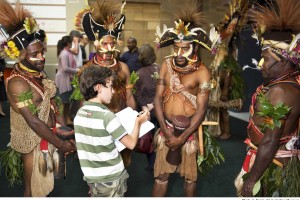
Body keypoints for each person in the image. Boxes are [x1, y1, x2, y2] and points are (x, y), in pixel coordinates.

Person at [0, 0, 76, 196]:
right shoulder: (17, 82)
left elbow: (52, 104)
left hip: (49, 137)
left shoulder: (38, 74)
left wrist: (64, 129)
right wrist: (61, 143)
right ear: (21, 54)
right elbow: (33, 121)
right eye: (36, 54)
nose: (42, 57)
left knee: (44, 189)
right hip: (32, 144)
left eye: (43, 52)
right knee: (33, 190)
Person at [152, 1, 221, 197]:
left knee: (190, 179)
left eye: (184, 48)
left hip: (188, 134)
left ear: (195, 48)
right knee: (161, 177)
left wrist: (181, 138)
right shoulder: (166, 65)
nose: (179, 53)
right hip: (167, 130)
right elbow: (157, 99)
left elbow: (201, 109)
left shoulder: (202, 72)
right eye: (176, 48)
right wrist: (167, 133)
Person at [234, 0, 300, 197]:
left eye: (267, 58)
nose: (261, 63)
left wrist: (252, 180)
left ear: (285, 60)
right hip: (268, 159)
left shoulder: (281, 90)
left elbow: (271, 141)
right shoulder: (284, 84)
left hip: (273, 165)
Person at [73, 0, 136, 167]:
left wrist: (135, 118)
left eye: (112, 43)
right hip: (98, 126)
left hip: (120, 123)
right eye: (104, 43)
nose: (109, 48)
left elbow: (129, 96)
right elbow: (82, 104)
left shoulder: (123, 68)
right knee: (100, 167)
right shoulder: (87, 71)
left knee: (121, 165)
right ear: (96, 43)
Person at [74, 65, 149, 197]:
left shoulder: (80, 114)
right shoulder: (107, 116)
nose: (113, 91)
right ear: (98, 87)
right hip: (111, 178)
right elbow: (131, 144)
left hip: (92, 177)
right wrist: (138, 122)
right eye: (110, 86)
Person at [133, 44, 160, 171]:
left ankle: (151, 165)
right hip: (160, 108)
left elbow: (136, 92)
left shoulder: (138, 74)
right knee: (163, 135)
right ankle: (164, 163)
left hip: (146, 111)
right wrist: (154, 103)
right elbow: (164, 90)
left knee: (148, 138)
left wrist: (144, 106)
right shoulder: (159, 69)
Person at [55, 35, 79, 124]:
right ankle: (62, 123)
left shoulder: (67, 52)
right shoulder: (64, 53)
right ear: (68, 43)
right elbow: (65, 68)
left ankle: (67, 121)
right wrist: (77, 70)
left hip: (67, 79)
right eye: (72, 42)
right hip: (62, 80)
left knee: (67, 102)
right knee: (63, 103)